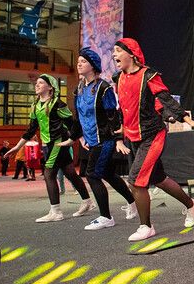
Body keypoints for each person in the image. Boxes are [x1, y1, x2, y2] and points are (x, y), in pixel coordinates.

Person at [112, 38, 194, 241]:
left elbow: (166, 99)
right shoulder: (118, 78)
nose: (114, 55)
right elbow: (123, 107)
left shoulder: (149, 75)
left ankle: (146, 226)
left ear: (131, 53)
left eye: (117, 51)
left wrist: (187, 119)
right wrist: (120, 132)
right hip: (133, 136)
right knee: (158, 179)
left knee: (136, 182)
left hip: (152, 135)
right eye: (113, 52)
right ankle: (191, 204)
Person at [58, 47, 138, 231]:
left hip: (105, 139)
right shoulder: (78, 89)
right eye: (78, 61)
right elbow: (79, 118)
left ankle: (106, 217)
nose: (79, 64)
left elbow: (113, 116)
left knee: (93, 174)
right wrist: (73, 138)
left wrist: (118, 139)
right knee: (108, 174)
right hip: (91, 140)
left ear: (93, 65)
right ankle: (132, 202)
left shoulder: (104, 88)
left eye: (83, 61)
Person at [3, 74, 95, 222]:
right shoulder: (35, 105)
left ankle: (56, 211)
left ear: (50, 87)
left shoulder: (57, 104)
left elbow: (72, 124)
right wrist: (16, 147)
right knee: (70, 172)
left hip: (58, 143)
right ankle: (88, 202)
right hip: (47, 145)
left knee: (49, 174)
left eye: (41, 83)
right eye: (36, 83)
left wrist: (82, 139)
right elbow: (30, 130)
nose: (37, 85)